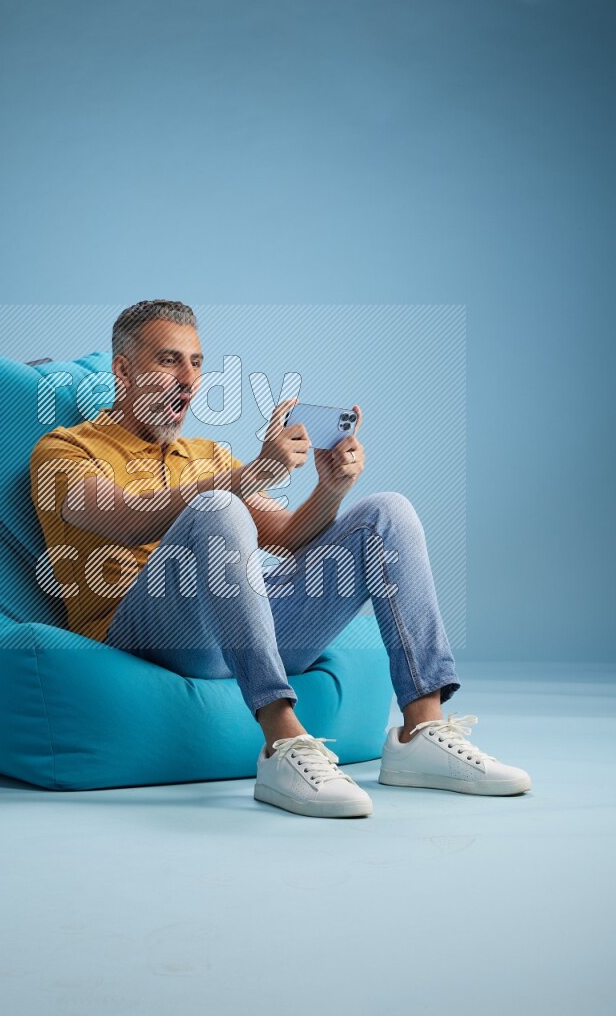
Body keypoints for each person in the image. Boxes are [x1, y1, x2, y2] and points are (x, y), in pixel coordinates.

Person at [30, 300, 531, 818]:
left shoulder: (209, 456)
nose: (187, 378)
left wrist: (330, 489)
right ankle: (281, 742)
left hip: (237, 630)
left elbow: (290, 539)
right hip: (143, 634)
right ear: (123, 370)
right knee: (219, 506)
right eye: (169, 360)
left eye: (197, 363)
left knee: (387, 512)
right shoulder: (64, 449)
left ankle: (421, 729)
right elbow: (123, 517)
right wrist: (244, 479)